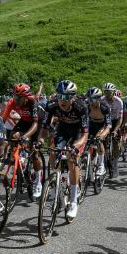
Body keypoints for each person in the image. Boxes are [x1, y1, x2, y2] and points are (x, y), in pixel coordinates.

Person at [38, 80, 88, 219]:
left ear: (73, 97)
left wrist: (75, 147)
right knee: (54, 151)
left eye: (66, 97)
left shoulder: (81, 106)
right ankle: (55, 184)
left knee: (72, 159)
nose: (62, 100)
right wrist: (41, 140)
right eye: (60, 96)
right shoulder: (52, 105)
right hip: (63, 129)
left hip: (78, 132)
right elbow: (45, 129)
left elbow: (85, 135)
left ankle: (73, 201)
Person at [0, 83, 42, 199]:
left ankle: (38, 181)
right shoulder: (12, 102)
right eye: (15, 96)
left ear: (26, 97)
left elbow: (34, 125)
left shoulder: (32, 102)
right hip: (24, 121)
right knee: (13, 135)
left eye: (19, 98)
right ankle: (18, 157)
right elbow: (3, 119)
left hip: (37, 123)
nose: (16, 100)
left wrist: (26, 136)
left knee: (34, 154)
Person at [85, 87, 111, 176]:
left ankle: (101, 165)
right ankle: (88, 159)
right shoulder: (86, 106)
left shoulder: (105, 107)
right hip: (91, 124)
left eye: (94, 99)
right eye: (89, 98)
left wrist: (102, 135)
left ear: (100, 99)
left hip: (102, 125)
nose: (91, 101)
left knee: (98, 140)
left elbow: (108, 125)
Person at [102, 83, 123, 176]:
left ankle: (115, 164)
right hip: (104, 121)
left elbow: (120, 119)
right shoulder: (101, 100)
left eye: (110, 92)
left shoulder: (119, 101)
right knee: (101, 140)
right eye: (106, 92)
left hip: (115, 121)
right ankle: (102, 161)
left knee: (115, 141)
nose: (107, 94)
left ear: (113, 92)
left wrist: (115, 130)